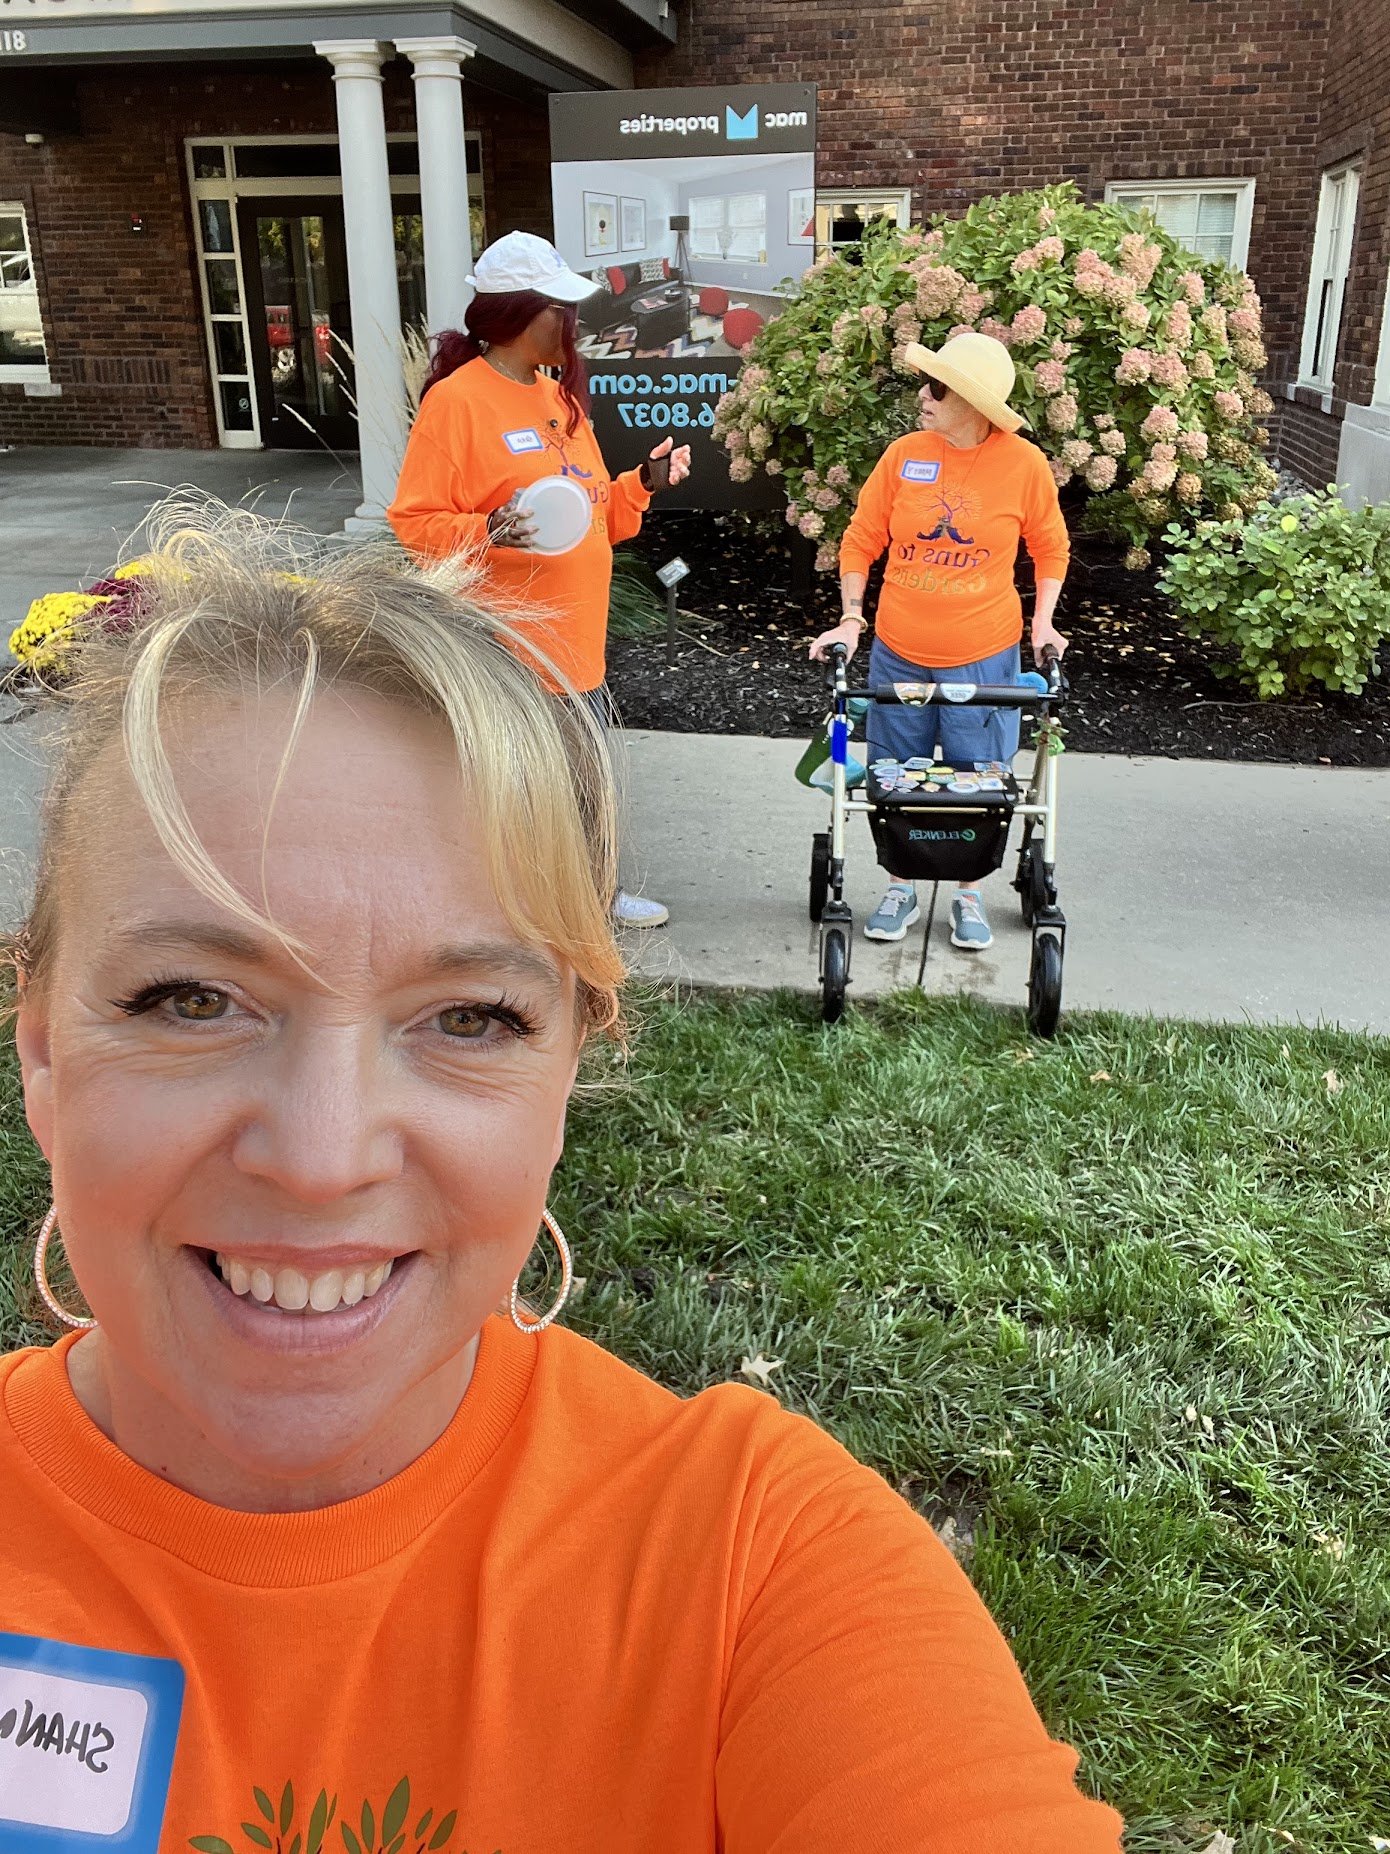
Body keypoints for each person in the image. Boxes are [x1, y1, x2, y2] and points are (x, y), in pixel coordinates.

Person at [0, 504, 1125, 1853]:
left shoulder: (744, 1562)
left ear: (569, 1070)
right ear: (43, 1051)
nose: (318, 1156)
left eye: (469, 1015)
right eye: (191, 997)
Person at [389, 229, 690, 931]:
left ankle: (595, 897)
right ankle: (510, 915)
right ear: (522, 313)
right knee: (520, 792)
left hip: (577, 644)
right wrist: (484, 531)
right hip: (512, 648)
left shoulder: (557, 399)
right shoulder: (457, 403)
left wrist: (640, 483)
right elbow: (415, 524)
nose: (573, 325)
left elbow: (590, 513)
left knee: (587, 782)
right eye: (563, 309)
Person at [810, 332, 1069, 950]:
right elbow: (861, 538)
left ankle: (968, 892)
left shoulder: (1023, 464)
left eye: (939, 388)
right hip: (899, 650)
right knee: (896, 775)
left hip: (984, 658)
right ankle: (900, 884)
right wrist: (851, 617)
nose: (923, 395)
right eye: (927, 384)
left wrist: (1043, 623)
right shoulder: (905, 455)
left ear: (974, 404)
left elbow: (1051, 546)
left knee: (976, 776)